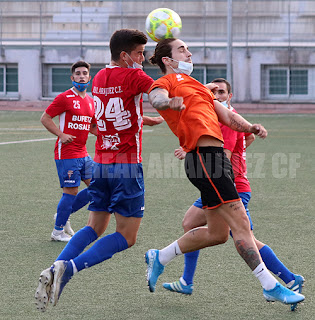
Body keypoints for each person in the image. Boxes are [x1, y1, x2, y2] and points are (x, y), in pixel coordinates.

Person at [144, 38, 305, 307]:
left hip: (213, 160)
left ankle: (159, 257)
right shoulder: (168, 83)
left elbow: (228, 117)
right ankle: (270, 285)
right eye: (182, 49)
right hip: (205, 159)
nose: (189, 52)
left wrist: (250, 127)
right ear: (167, 61)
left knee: (217, 234)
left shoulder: (199, 87)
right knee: (241, 225)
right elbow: (155, 97)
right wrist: (169, 103)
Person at [35, 29, 158, 312]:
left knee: (94, 226)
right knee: (127, 237)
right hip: (126, 166)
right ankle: (71, 268)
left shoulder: (100, 77)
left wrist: (143, 120)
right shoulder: (135, 76)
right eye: (139, 53)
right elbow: (157, 93)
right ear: (125, 55)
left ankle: (55, 269)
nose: (143, 58)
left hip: (101, 162)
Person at [40, 60, 96, 242]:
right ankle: (57, 232)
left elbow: (92, 127)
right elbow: (45, 118)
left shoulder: (90, 101)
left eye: (84, 73)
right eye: (78, 73)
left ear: (89, 77)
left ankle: (63, 215)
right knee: (70, 191)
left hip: (83, 152)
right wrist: (61, 134)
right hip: (67, 152)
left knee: (97, 186)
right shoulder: (64, 98)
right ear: (72, 78)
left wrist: (109, 137)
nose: (81, 76)